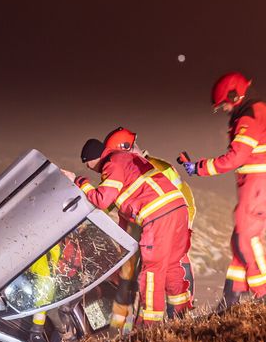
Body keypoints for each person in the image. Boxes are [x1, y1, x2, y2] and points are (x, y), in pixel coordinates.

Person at [179, 72, 266, 307]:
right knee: (240, 238)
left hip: (257, 185)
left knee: (248, 238)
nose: (225, 110)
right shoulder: (265, 110)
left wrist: (199, 168)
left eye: (224, 105)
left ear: (234, 96)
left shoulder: (247, 119)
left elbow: (235, 158)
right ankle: (232, 296)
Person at [75, 136, 192, 326]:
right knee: (171, 265)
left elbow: (102, 199)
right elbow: (120, 207)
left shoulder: (112, 163)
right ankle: (182, 313)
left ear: (91, 159)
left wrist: (81, 182)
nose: (91, 170)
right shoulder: (125, 160)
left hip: (157, 216)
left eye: (89, 165)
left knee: (152, 270)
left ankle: (149, 324)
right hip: (177, 209)